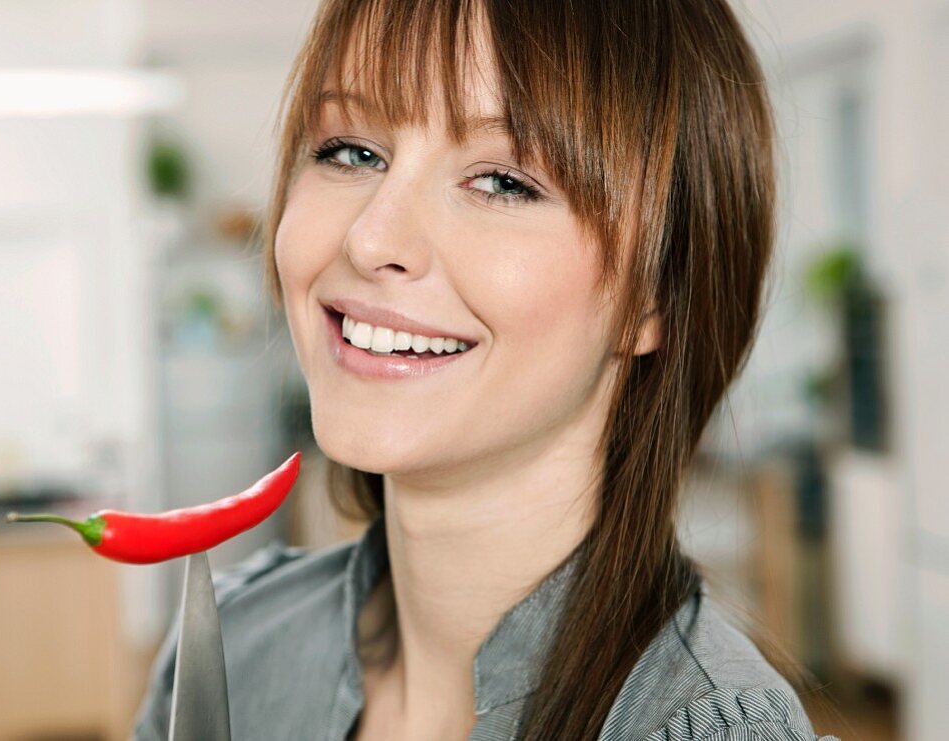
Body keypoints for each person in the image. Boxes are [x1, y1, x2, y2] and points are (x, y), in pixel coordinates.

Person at [134, 0, 842, 739]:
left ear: (654, 293)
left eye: (503, 181)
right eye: (351, 151)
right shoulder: (232, 651)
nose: (372, 237)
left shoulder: (701, 725)